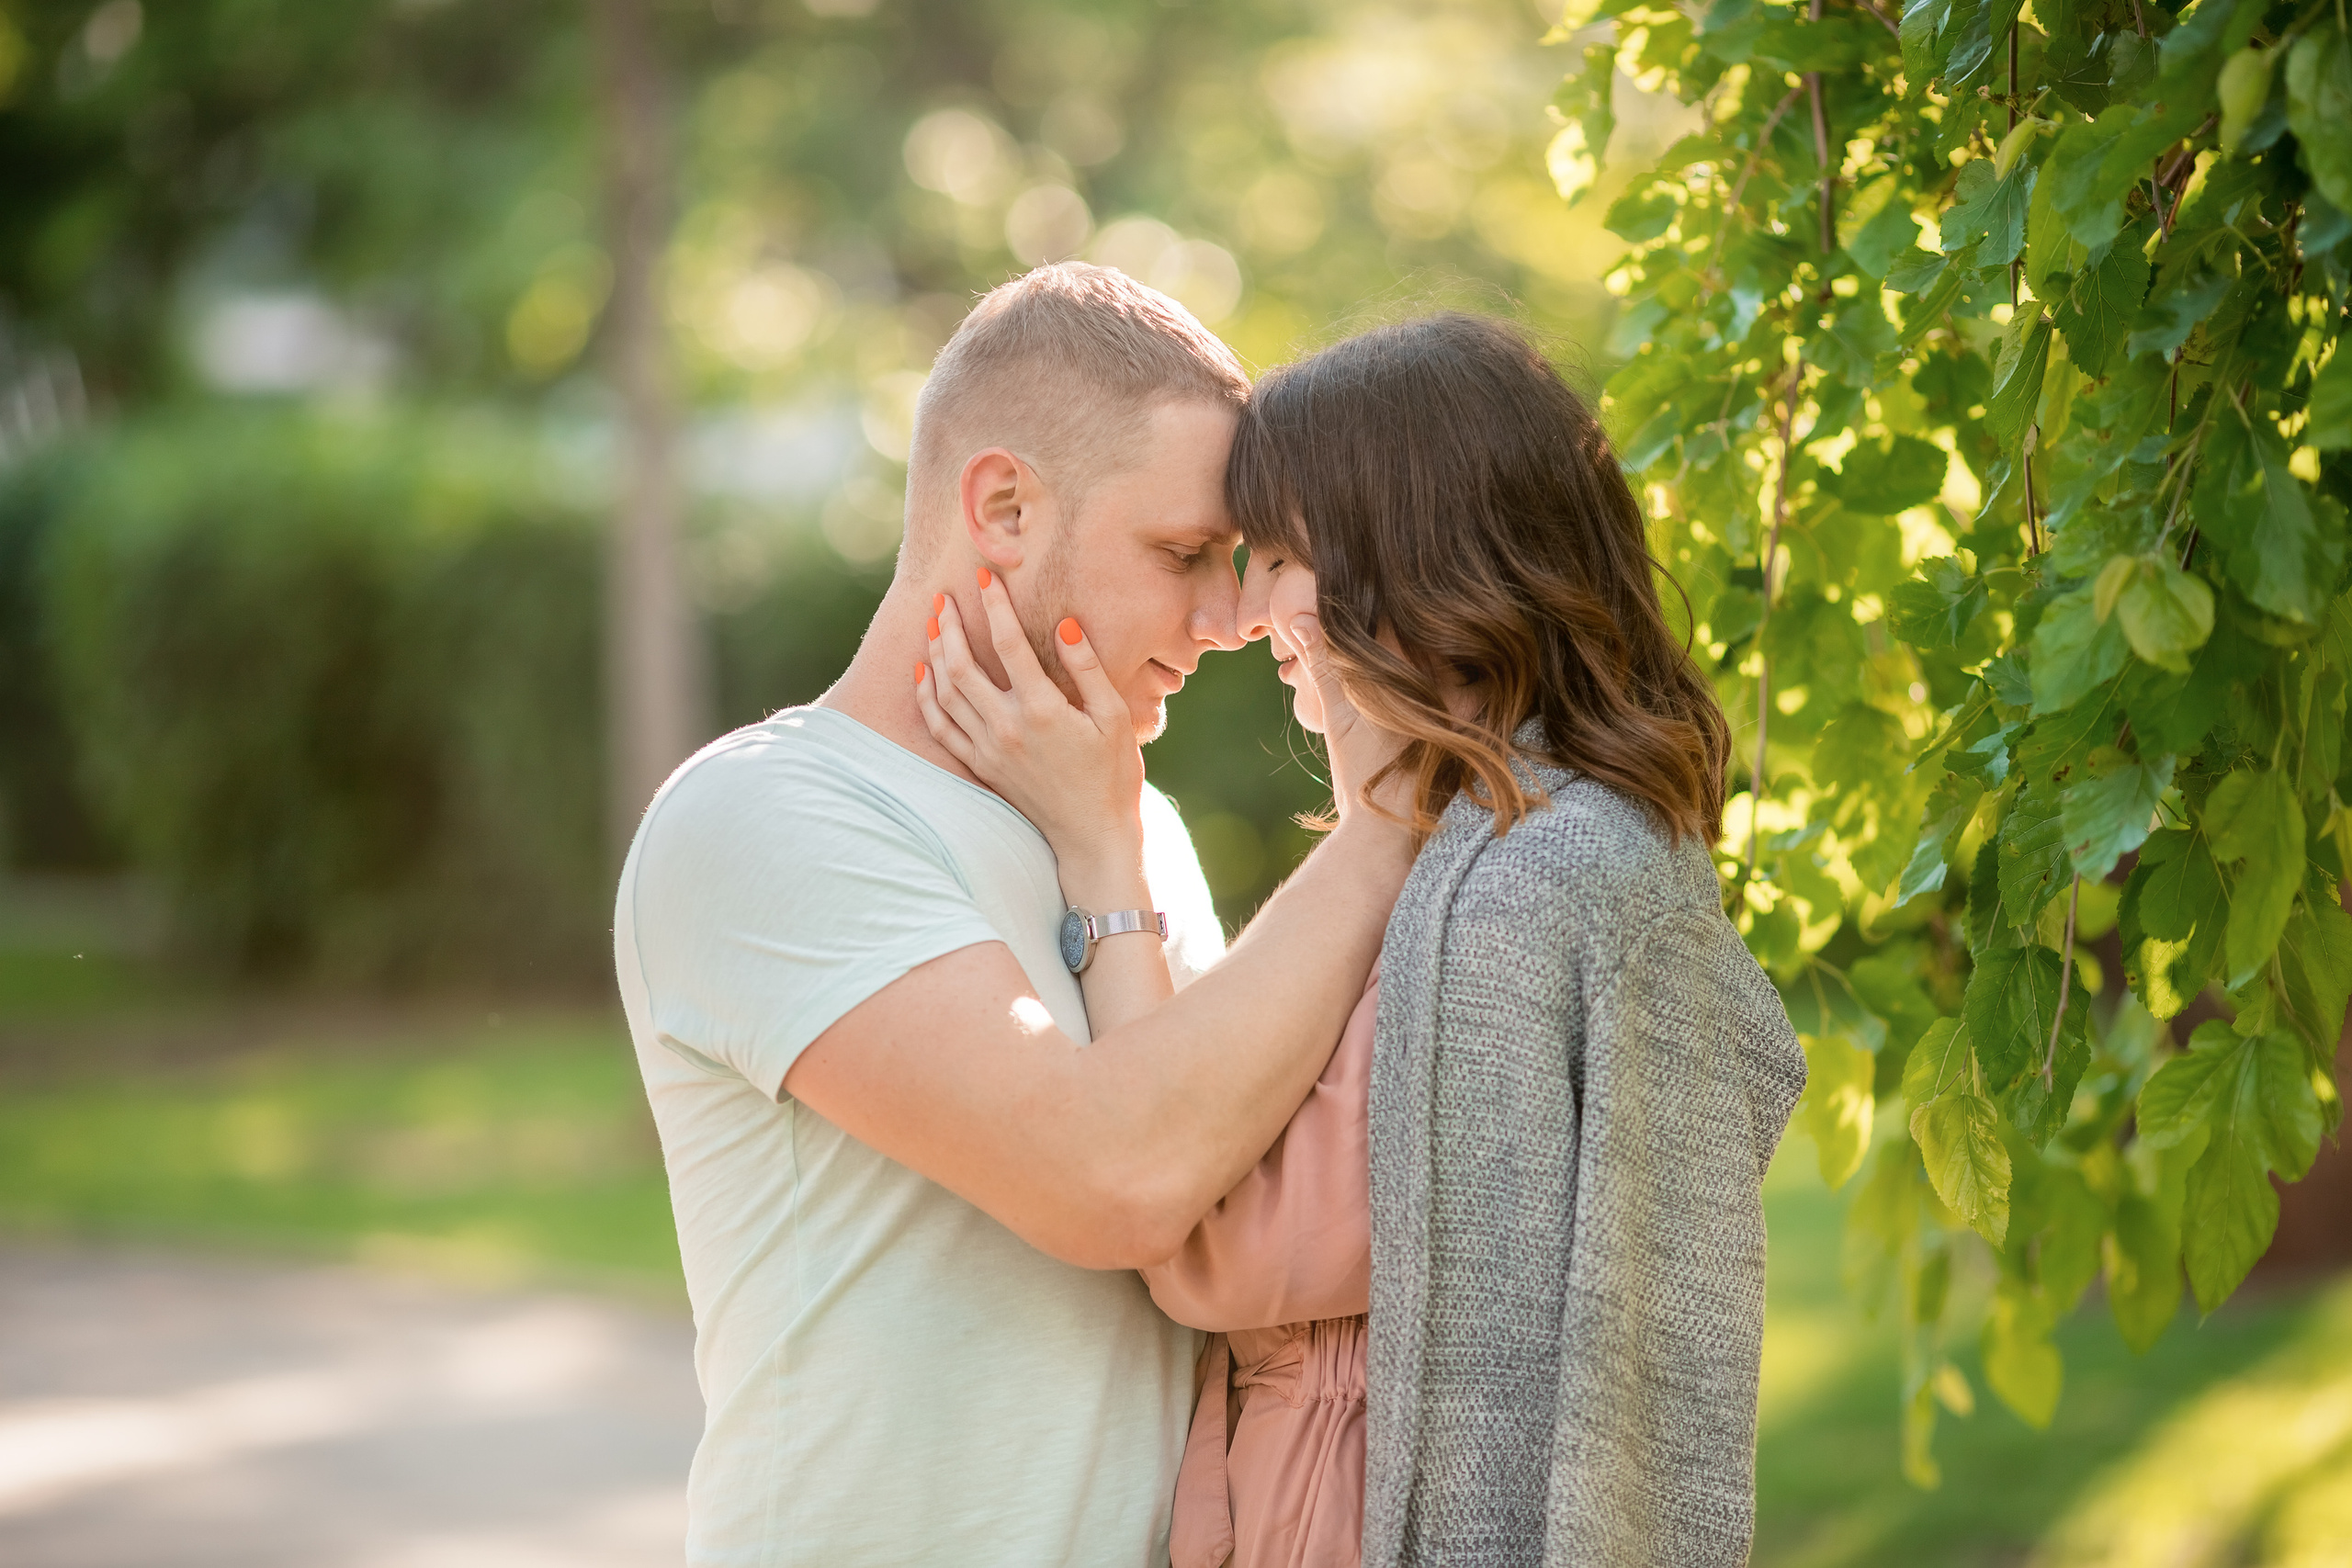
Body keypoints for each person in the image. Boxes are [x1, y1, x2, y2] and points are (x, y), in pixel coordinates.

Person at [921, 311, 1807, 1568]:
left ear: (1414, 561)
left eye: (1279, 557)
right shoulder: (1479, 858)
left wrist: (1102, 843)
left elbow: (1211, 1243)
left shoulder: (1512, 890)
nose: (1242, 610)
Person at [612, 263, 1415, 1567]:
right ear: (1004, 508)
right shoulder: (763, 819)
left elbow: (1234, 1215)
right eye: (1182, 555)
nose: (1228, 618)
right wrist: (1388, 825)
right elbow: (1121, 1182)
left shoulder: (1129, 826)